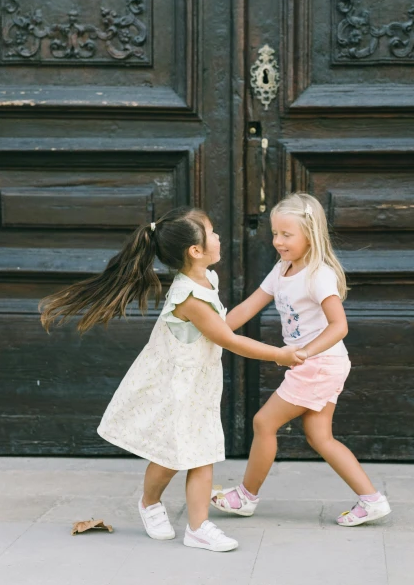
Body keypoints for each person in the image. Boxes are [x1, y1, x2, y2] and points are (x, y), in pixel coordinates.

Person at [39, 207, 303, 552]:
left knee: (202, 453)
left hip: (198, 384)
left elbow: (221, 324)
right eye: (212, 232)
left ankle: (197, 528)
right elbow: (228, 339)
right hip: (174, 386)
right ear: (195, 250)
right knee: (170, 457)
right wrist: (279, 354)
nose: (219, 237)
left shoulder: (208, 279)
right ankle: (150, 502)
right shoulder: (189, 297)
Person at [211, 193, 391, 527]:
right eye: (275, 233)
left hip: (318, 363)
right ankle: (372, 500)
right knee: (320, 436)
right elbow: (249, 306)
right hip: (320, 363)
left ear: (310, 233)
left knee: (264, 423)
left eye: (286, 235)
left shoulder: (318, 275)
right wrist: (216, 331)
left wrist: (306, 352)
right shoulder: (283, 269)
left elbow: (340, 326)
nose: (277, 241)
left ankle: (246, 496)